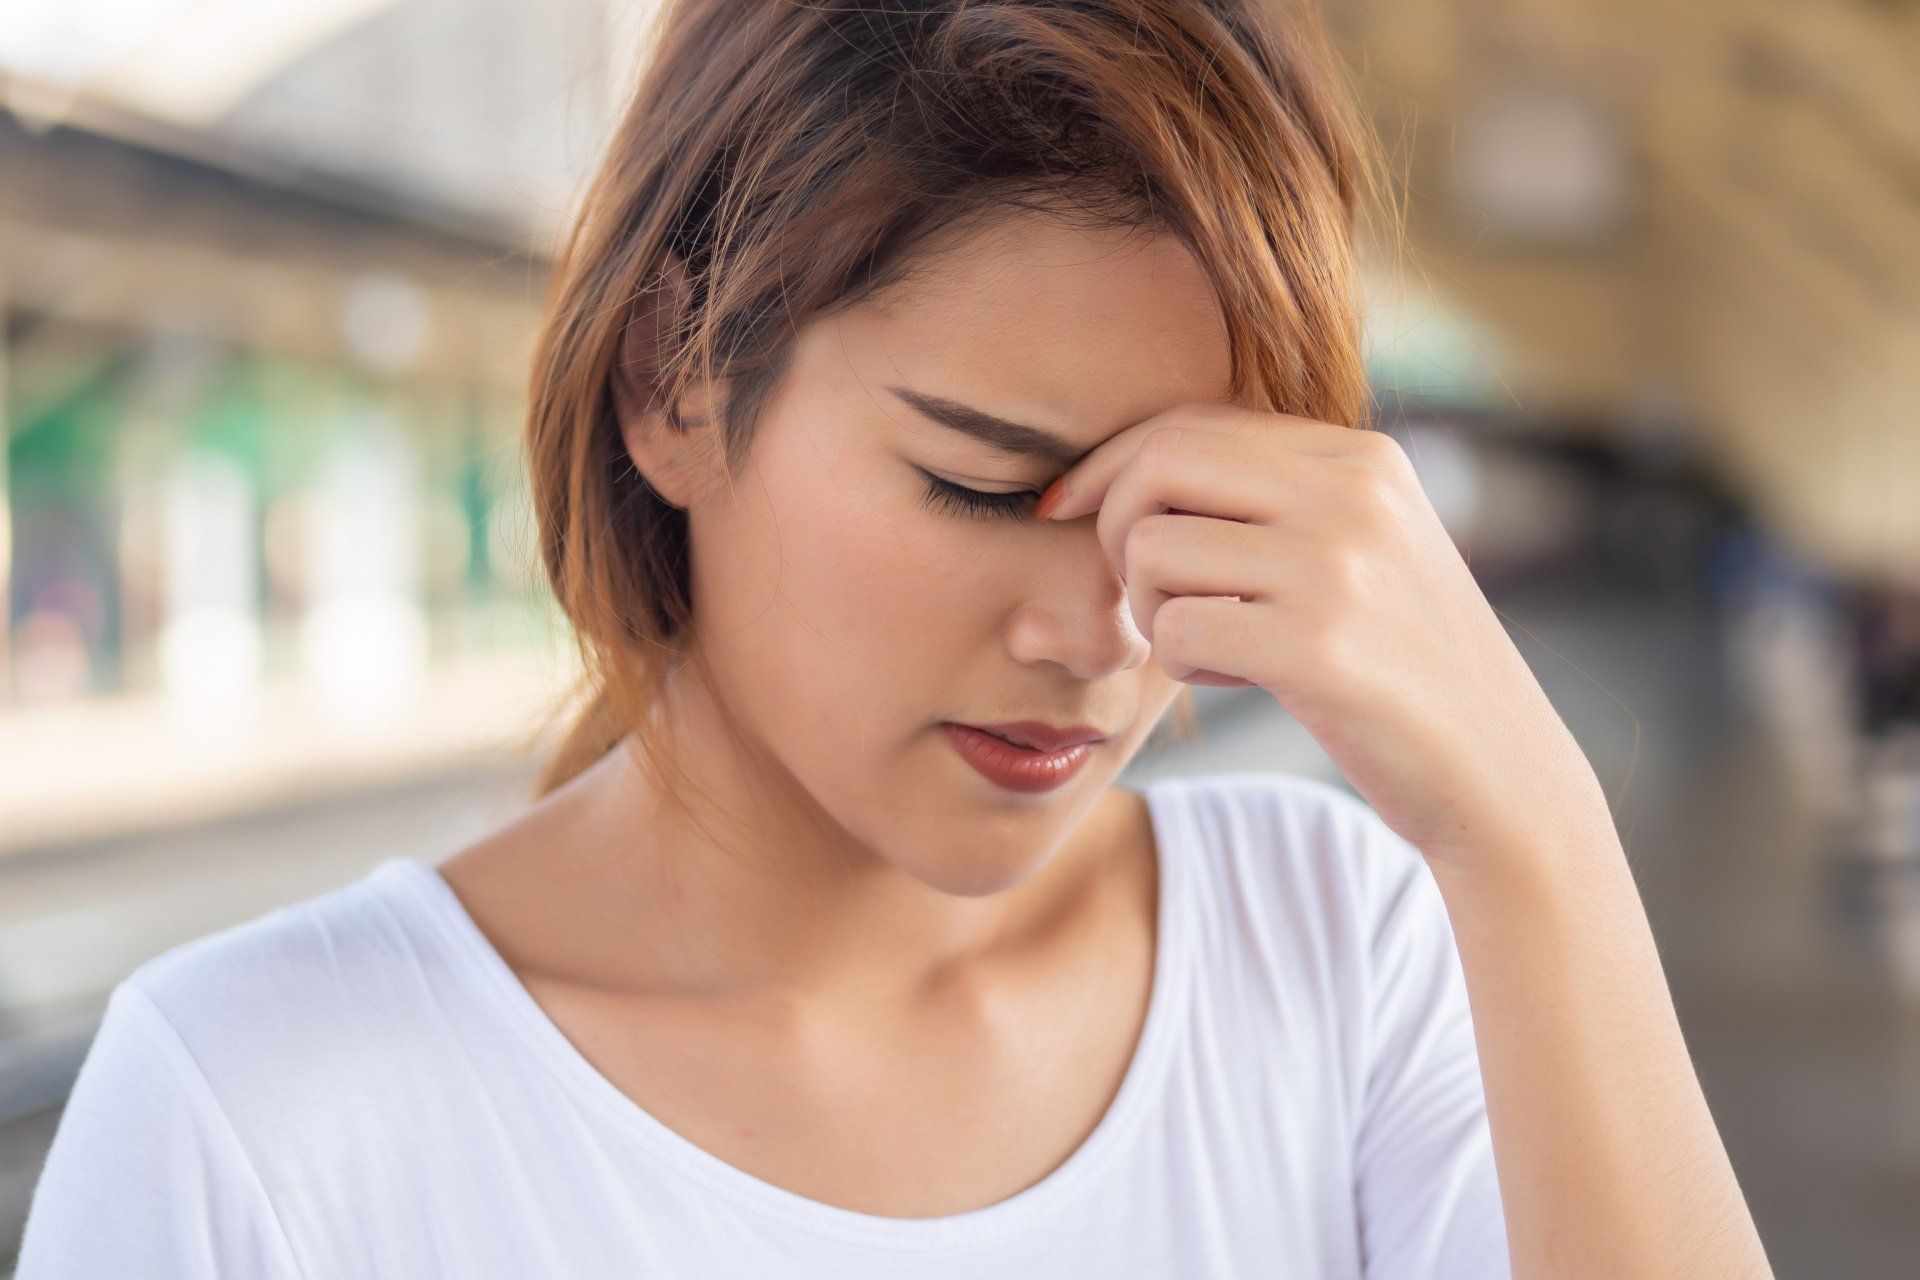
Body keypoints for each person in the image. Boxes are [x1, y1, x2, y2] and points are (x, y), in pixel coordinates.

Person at [16, 1, 1773, 1276]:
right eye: (984, 487)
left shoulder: (1348, 955)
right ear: (670, 386)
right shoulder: (251, 1118)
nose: (1101, 631)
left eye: (1193, 511)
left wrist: (1535, 833)